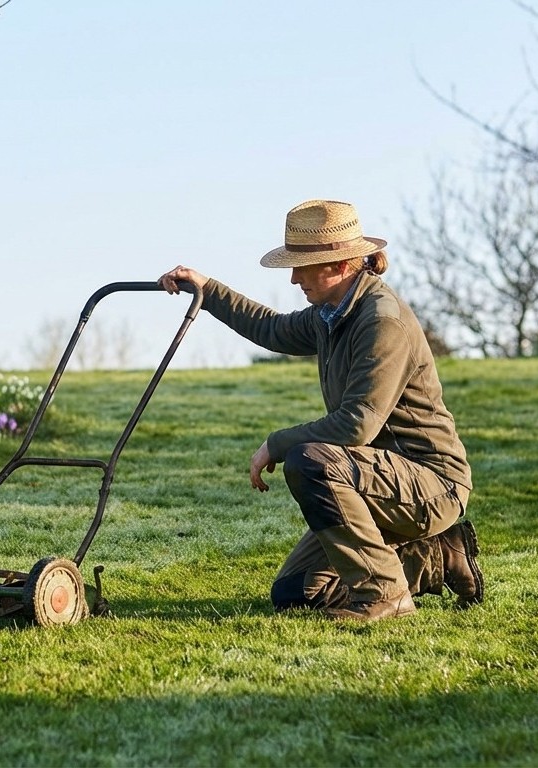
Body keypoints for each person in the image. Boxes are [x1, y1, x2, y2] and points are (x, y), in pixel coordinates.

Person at [158, 199, 482, 622]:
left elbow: (356, 425)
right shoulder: (330, 315)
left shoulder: (382, 322)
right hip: (377, 479)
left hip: (431, 483)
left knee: (311, 461)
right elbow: (270, 328)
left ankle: (385, 596)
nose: (293, 279)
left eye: (302, 266)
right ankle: (441, 555)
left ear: (341, 264)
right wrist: (206, 288)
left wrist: (275, 444)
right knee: (298, 594)